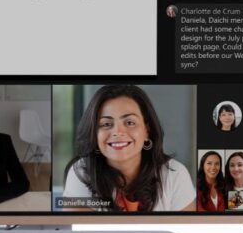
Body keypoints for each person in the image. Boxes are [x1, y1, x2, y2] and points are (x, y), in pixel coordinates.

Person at [61, 85, 195, 212]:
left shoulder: (175, 174)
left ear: (147, 131)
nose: (118, 132)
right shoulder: (82, 171)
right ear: (95, 134)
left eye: (130, 122)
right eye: (106, 124)